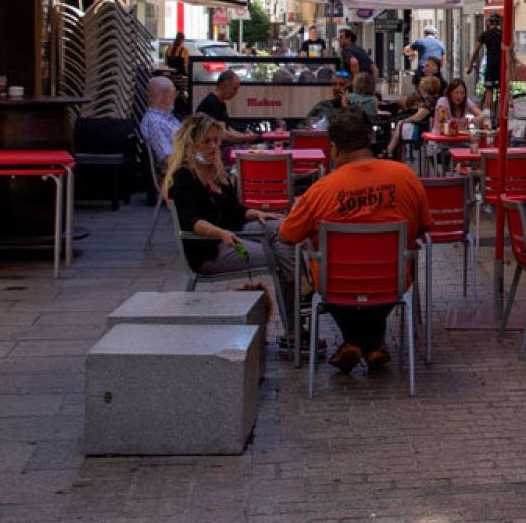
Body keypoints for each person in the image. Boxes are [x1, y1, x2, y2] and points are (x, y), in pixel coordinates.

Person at [278, 112, 432, 373]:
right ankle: (371, 344)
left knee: (331, 274)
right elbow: (423, 228)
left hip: (337, 286)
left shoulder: (320, 191)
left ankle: (356, 342)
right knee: (404, 259)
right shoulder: (405, 177)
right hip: (391, 283)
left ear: (334, 148)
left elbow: (286, 236)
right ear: (369, 141)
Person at [164, 114, 298, 340]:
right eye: (207, 141)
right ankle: (297, 321)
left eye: (216, 141)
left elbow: (235, 210)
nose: (214, 147)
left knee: (282, 228)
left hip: (232, 234)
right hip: (210, 248)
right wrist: (219, 232)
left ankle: (298, 296)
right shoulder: (184, 177)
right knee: (281, 255)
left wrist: (254, 212)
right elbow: (191, 221)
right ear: (191, 142)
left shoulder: (216, 172)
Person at [195, 72, 256, 143]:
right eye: (234, 89)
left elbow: (227, 128)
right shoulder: (211, 103)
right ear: (224, 85)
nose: (236, 93)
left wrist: (244, 135)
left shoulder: (220, 103)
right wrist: (244, 138)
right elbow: (222, 134)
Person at [140, 76, 181, 169]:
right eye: (174, 94)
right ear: (166, 98)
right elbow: (167, 158)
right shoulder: (155, 123)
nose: (175, 97)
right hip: (177, 173)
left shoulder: (167, 118)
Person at [469, 14, 503, 113]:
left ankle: (491, 116)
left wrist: (470, 65)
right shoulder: (503, 34)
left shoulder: (485, 34)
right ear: (499, 23)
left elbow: (476, 50)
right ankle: (499, 116)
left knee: (489, 90)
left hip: (490, 64)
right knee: (501, 92)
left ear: (489, 23)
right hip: (501, 64)